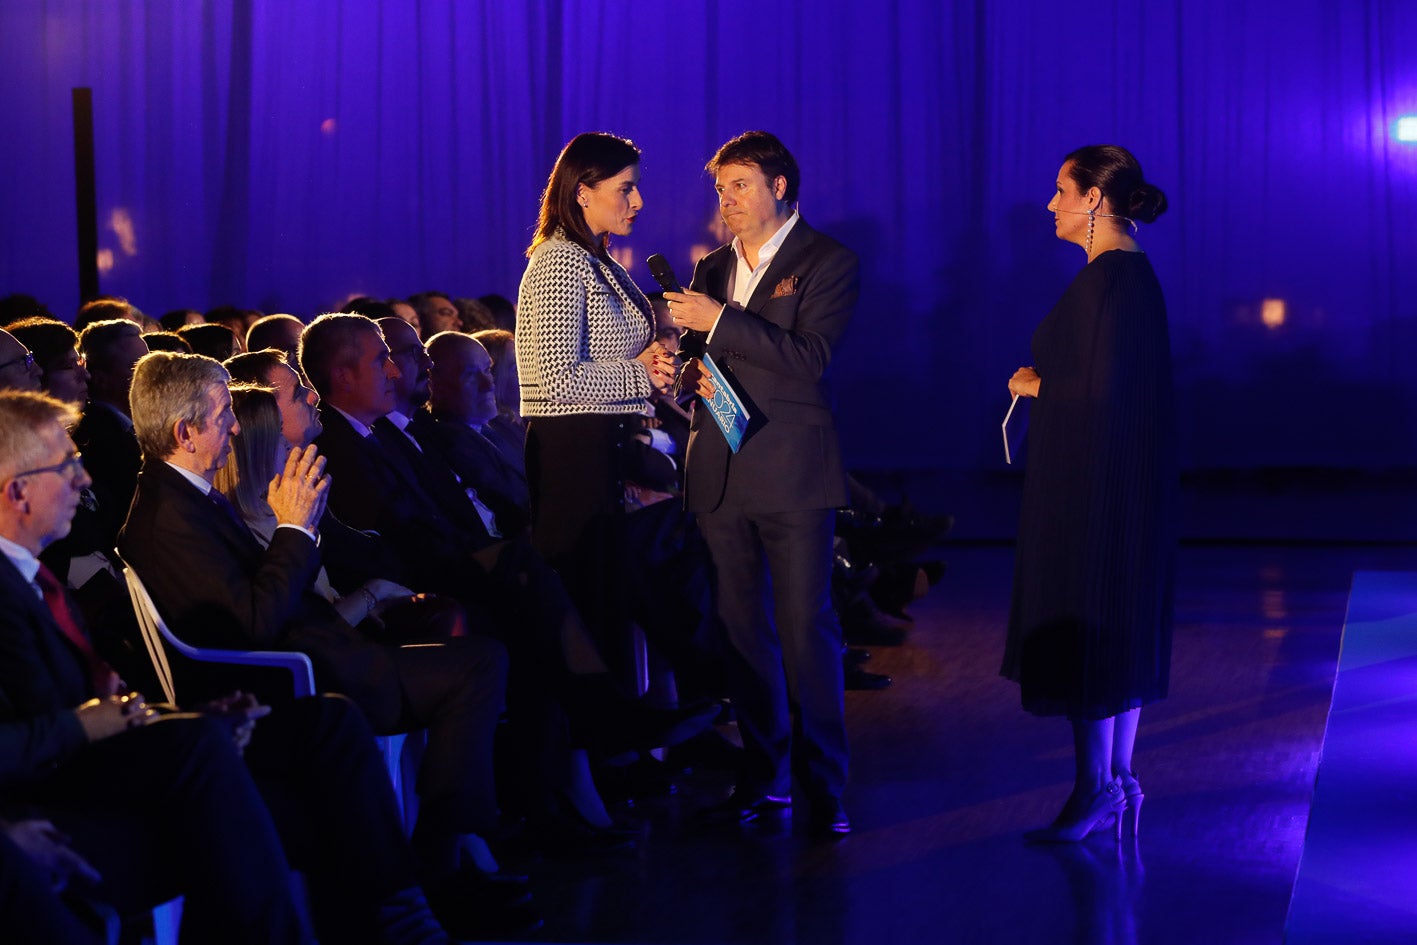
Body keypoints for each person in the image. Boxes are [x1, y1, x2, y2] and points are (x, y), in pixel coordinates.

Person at [664, 130, 858, 837]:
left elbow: (807, 358)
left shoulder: (826, 261)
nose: (727, 200)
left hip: (795, 472)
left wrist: (719, 321)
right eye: (720, 189)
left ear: (779, 186)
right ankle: (762, 776)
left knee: (808, 630)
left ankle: (822, 786)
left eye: (739, 185)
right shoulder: (711, 266)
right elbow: (705, 366)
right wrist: (677, 374)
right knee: (743, 634)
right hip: (718, 467)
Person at [1001, 144, 1176, 842]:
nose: (1051, 205)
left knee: (1090, 615)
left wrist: (1033, 385)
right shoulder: (1126, 277)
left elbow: (1103, 392)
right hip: (1116, 478)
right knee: (1114, 620)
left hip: (1094, 483)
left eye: (1060, 191)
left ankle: (1095, 785)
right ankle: (1116, 777)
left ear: (1094, 201)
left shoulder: (1109, 280)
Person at [515, 132, 675, 661]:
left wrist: (649, 372)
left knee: (610, 595)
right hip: (572, 450)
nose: (638, 201)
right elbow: (556, 380)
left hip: (602, 444)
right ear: (583, 190)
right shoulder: (560, 261)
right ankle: (602, 731)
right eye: (626, 188)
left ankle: (631, 728)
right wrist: (642, 375)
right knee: (587, 595)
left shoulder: (594, 258)